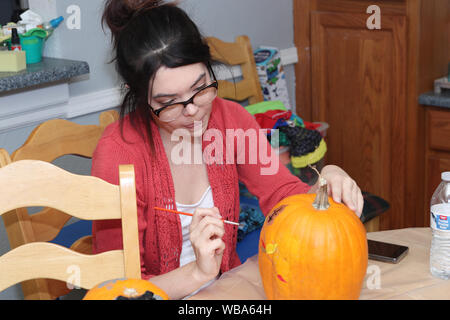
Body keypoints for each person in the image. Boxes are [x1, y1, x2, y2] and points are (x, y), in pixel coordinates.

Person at [92, 0, 364, 300]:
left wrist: (327, 181)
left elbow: (284, 198)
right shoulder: (118, 153)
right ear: (139, 97)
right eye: (169, 103)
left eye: (201, 87)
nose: (193, 111)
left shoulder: (230, 120)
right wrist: (197, 273)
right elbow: (115, 288)